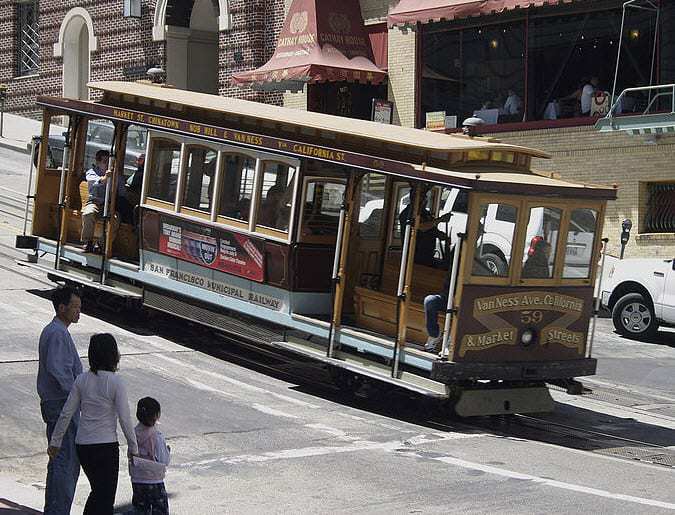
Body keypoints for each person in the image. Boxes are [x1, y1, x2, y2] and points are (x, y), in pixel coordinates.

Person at [48, 333, 138, 515]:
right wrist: (133, 446)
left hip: (84, 446)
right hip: (106, 446)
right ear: (113, 355)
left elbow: (67, 412)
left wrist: (55, 442)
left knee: (98, 492)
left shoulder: (81, 379)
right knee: (105, 497)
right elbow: (125, 418)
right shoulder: (116, 382)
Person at [38, 286, 83, 515]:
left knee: (60, 461)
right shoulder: (57, 333)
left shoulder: (58, 331)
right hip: (61, 405)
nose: (78, 312)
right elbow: (59, 370)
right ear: (62, 308)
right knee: (64, 462)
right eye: (74, 307)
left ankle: (55, 509)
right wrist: (77, 394)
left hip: (59, 404)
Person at [130, 397, 171, 515]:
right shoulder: (156, 436)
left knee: (140, 510)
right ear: (157, 416)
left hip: (137, 479)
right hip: (154, 481)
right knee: (159, 511)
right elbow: (164, 460)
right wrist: (167, 450)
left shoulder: (134, 433)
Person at [81, 150, 124, 253]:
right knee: (88, 213)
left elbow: (123, 193)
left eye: (110, 162)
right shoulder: (91, 172)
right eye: (105, 162)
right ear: (98, 162)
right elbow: (96, 183)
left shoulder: (115, 174)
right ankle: (87, 242)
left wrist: (116, 179)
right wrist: (106, 178)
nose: (107, 165)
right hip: (94, 203)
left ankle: (101, 245)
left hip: (109, 205)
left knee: (115, 219)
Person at [399, 203, 452, 267]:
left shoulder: (425, 212)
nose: (425, 200)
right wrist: (440, 219)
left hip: (428, 254)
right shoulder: (407, 213)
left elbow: (431, 228)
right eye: (423, 197)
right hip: (414, 256)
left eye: (425, 197)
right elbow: (420, 227)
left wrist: (441, 235)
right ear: (414, 197)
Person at [423, 275, 450, 352]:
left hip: (464, 302)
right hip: (447, 298)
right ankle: (434, 334)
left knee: (466, 307)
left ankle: (451, 344)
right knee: (430, 300)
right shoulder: (456, 267)